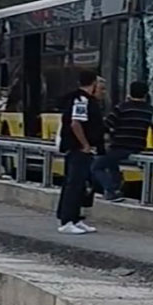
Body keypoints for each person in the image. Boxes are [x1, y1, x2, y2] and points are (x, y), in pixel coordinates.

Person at [56, 70, 105, 236]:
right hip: (78, 149)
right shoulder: (82, 100)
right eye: (99, 84)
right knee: (74, 184)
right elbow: (75, 123)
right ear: (93, 84)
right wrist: (85, 144)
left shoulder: (83, 99)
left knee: (82, 184)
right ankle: (67, 221)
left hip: (80, 148)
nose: (101, 88)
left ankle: (76, 219)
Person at [94, 80, 153, 202]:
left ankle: (111, 190)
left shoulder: (122, 107)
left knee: (96, 167)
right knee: (111, 163)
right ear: (146, 94)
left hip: (120, 145)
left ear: (129, 92)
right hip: (138, 146)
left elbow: (107, 125)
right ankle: (116, 185)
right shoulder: (149, 110)